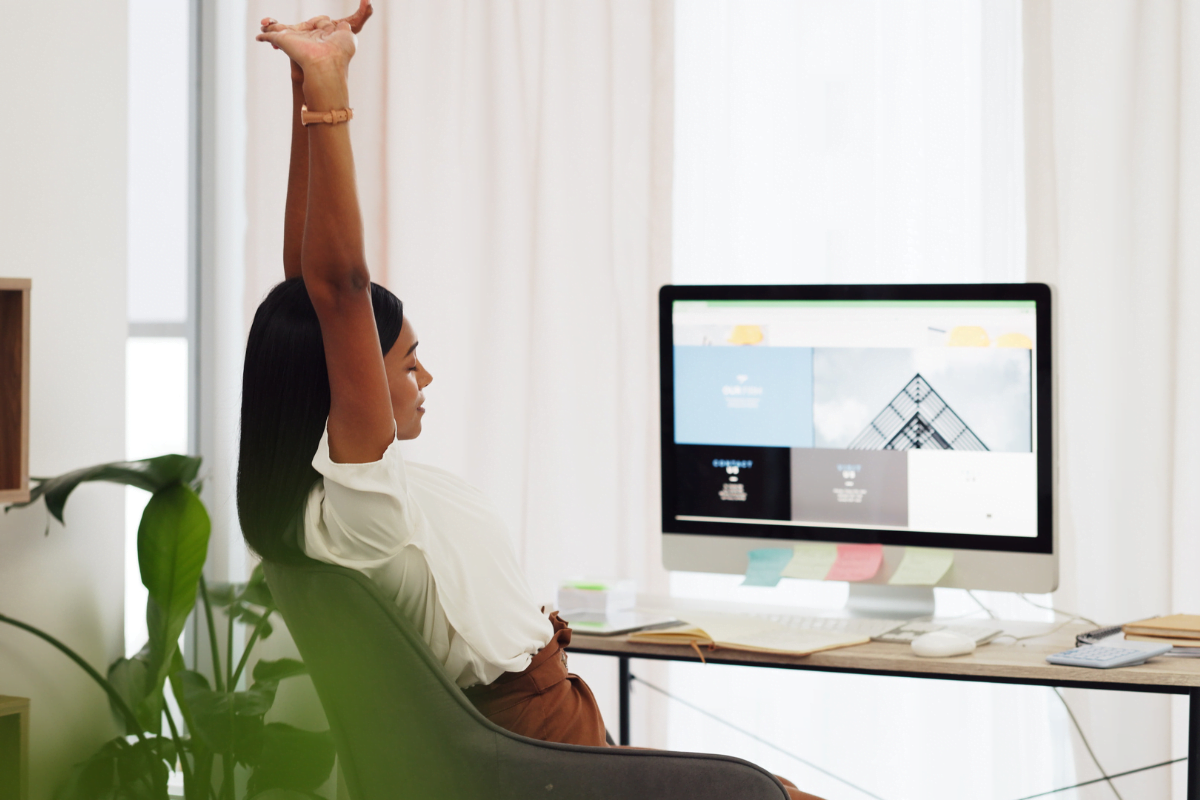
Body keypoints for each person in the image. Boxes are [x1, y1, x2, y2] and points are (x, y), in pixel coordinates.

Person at [242, 7, 824, 799]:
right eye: (408, 362)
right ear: (351, 384)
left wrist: (304, 90)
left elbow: (308, 292)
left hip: (530, 745)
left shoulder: (317, 508)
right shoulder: (362, 510)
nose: (426, 379)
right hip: (533, 751)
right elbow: (336, 293)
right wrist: (334, 89)